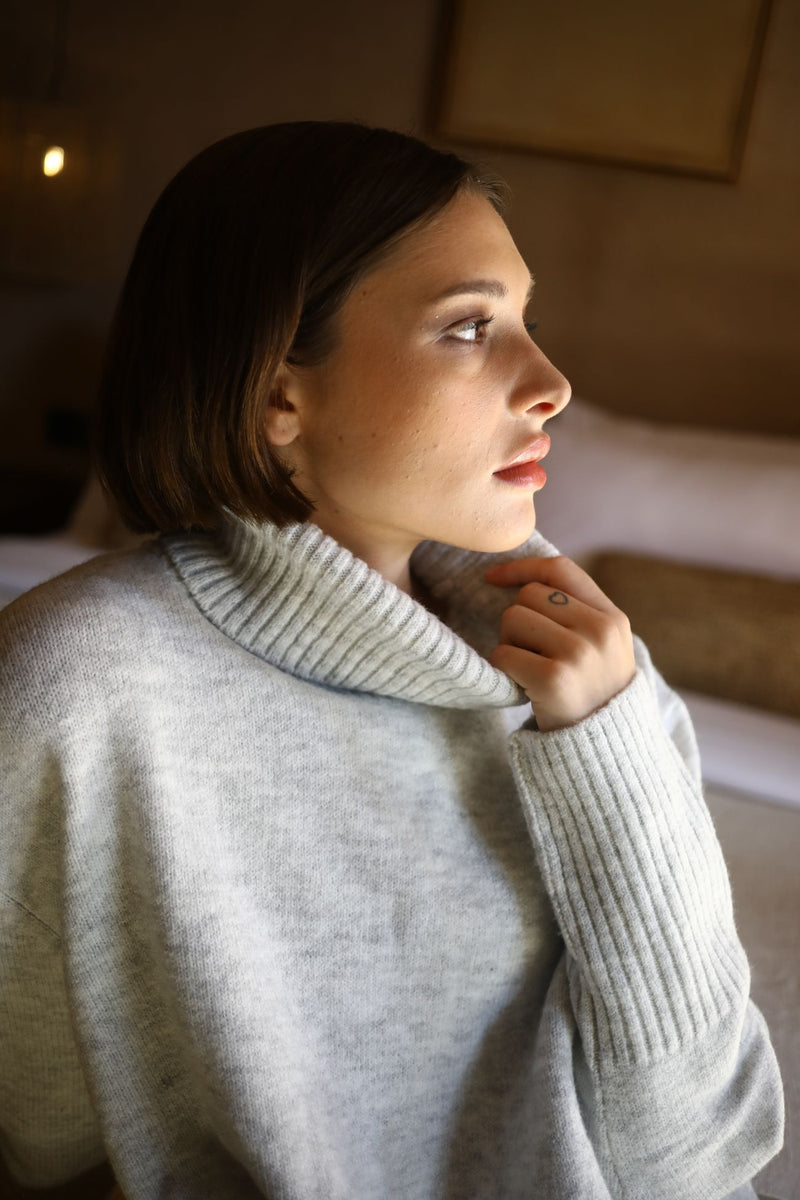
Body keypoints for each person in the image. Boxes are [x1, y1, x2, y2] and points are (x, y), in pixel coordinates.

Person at [0, 121, 783, 1200]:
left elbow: (705, 1153)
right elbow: (40, 1135)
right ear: (278, 394)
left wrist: (613, 752)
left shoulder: (596, 679)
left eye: (526, 320)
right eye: (468, 328)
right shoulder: (72, 684)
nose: (550, 380)